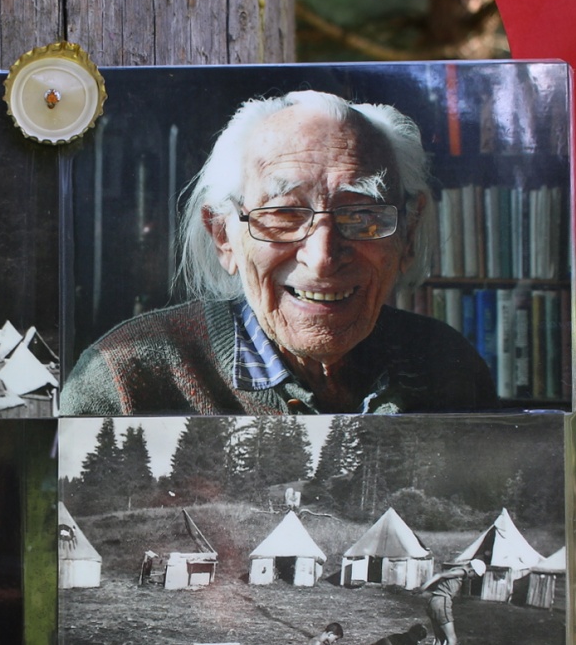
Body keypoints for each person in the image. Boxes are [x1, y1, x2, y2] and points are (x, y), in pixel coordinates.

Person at [62, 89, 497, 416]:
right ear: (223, 236)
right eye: (285, 214)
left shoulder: (447, 366)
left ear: (408, 230)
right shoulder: (125, 379)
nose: (323, 256)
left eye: (362, 214)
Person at [422, 559, 486, 645]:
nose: (472, 579)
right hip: (442, 602)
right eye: (474, 576)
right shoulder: (462, 572)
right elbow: (438, 575)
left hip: (433, 601)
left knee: (439, 640)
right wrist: (422, 587)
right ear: (471, 570)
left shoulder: (455, 570)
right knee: (452, 639)